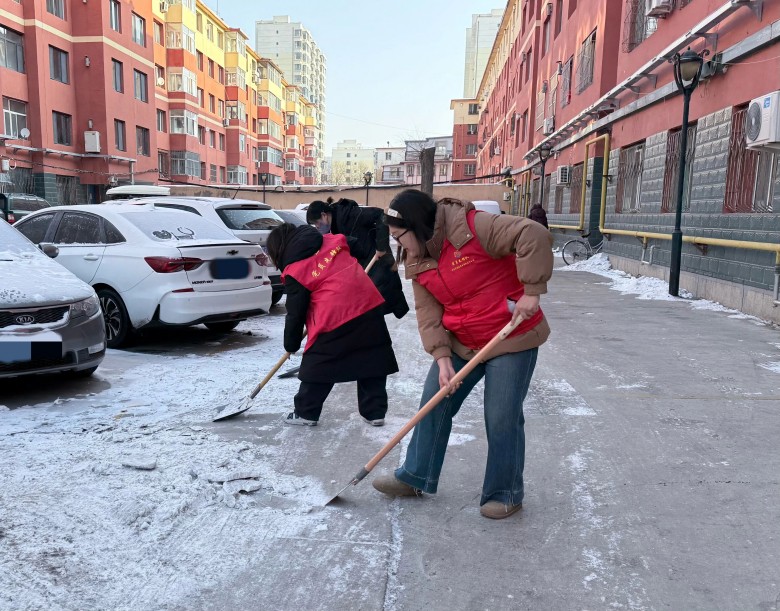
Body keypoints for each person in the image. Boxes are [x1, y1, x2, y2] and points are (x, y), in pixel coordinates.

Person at [372, 190, 553, 520]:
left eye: (399, 235)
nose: (399, 244)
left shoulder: (473, 227)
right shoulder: (417, 257)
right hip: (462, 341)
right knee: (434, 402)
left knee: (501, 415)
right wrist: (442, 358)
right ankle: (415, 475)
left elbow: (533, 233)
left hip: (510, 335)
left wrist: (532, 290)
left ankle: (504, 493)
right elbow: (428, 313)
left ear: (418, 226)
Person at [266, 223, 398, 427]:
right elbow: (357, 244)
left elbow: (295, 313)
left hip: (335, 313)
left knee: (320, 362)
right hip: (367, 300)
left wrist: (291, 344)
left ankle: (306, 412)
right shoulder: (333, 240)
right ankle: (375, 412)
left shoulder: (296, 270)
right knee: (372, 354)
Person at [306, 198, 409, 319]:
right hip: (364, 266)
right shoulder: (334, 226)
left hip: (377, 260)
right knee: (372, 308)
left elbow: (381, 215)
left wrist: (381, 247)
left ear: (324, 215)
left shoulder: (349, 214)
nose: (317, 227)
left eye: (317, 223)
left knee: (380, 302)